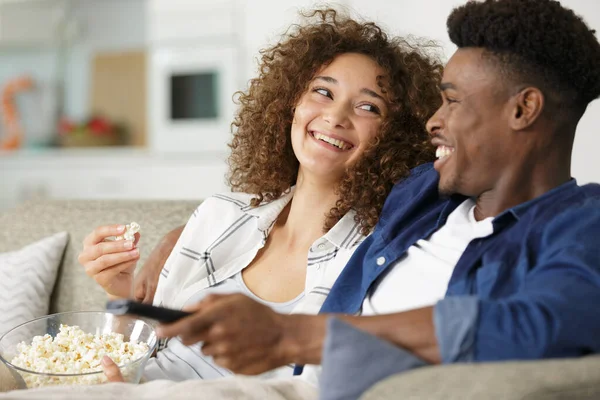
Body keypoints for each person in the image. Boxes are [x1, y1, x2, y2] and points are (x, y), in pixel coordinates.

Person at [122, 0, 600, 395]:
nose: (433, 121)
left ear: (524, 108)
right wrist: (180, 237)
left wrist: (295, 336)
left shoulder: (581, 224)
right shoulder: (422, 194)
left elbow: (541, 324)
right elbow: (319, 187)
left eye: (452, 101)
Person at [75, 8, 442, 383]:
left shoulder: (371, 259)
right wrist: (121, 295)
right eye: (323, 91)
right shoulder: (218, 215)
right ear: (290, 104)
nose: (335, 116)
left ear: (396, 135)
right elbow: (136, 362)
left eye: (368, 106)